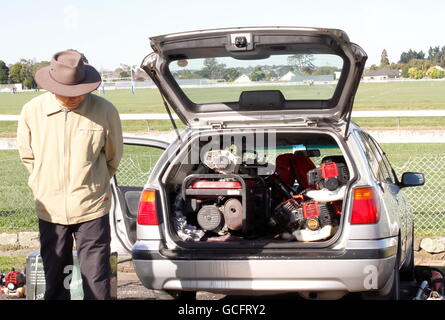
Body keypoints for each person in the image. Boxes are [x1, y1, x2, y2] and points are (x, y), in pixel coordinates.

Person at [17, 50, 123, 300]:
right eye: (66, 92)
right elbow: (27, 156)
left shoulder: (105, 110)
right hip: (50, 209)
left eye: (79, 91)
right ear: (52, 86)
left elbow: (112, 157)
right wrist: (44, 183)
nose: (74, 97)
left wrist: (92, 184)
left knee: (97, 279)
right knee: (54, 279)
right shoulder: (32, 111)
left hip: (92, 208)